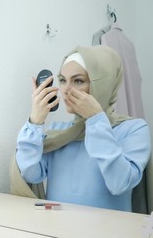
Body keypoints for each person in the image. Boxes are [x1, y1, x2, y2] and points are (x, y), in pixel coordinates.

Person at [11, 45, 151, 212]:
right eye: (62, 80)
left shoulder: (134, 129)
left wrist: (96, 120)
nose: (66, 90)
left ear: (104, 85)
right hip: (57, 230)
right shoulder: (59, 132)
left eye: (78, 81)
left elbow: (119, 183)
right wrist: (35, 123)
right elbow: (30, 174)